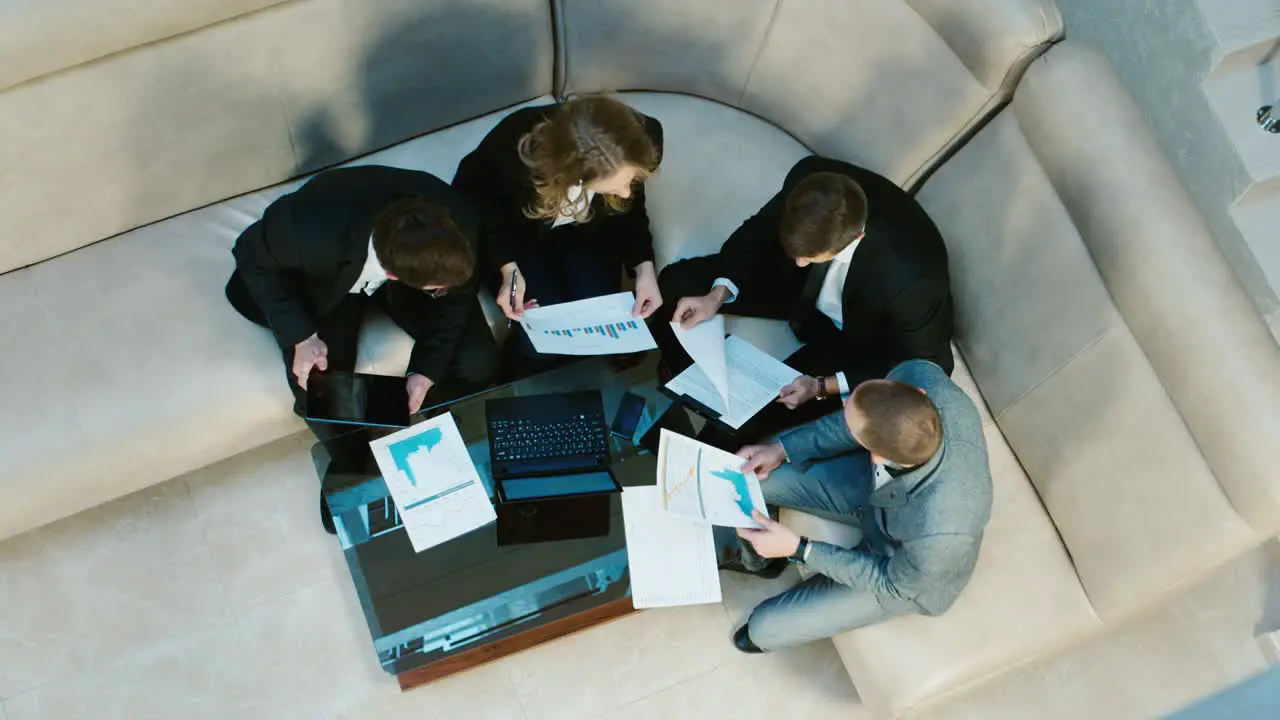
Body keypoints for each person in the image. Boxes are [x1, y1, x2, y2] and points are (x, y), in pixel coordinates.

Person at [225, 165, 499, 530]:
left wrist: (424, 373)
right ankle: (350, 464)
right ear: (394, 276)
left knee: (477, 359)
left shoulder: (457, 223)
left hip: (398, 266)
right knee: (318, 388)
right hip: (323, 284)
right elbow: (250, 253)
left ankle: (438, 419)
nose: (442, 294)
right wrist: (302, 337)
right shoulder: (309, 230)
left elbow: (455, 301)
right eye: (437, 290)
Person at [654, 155, 954, 442]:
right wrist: (716, 295)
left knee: (746, 421)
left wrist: (822, 386)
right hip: (798, 289)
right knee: (673, 284)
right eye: (796, 251)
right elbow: (755, 233)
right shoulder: (810, 180)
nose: (798, 260)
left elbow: (923, 364)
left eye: (808, 256)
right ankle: (692, 381)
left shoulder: (913, 281)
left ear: (856, 239)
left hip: (854, 337)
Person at [725, 359, 991, 653]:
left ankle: (775, 583)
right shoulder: (920, 375)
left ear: (875, 455)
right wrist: (781, 449)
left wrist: (799, 548)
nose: (846, 403)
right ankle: (760, 559)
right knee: (747, 478)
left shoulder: (943, 531)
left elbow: (893, 583)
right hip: (871, 490)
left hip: (894, 567)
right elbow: (857, 418)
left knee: (764, 629)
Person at [452, 94, 664, 379]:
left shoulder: (643, 136)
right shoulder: (509, 153)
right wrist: (507, 269)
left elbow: (631, 208)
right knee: (540, 338)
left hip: (586, 232)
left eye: (627, 182)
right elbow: (485, 215)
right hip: (520, 234)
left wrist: (644, 267)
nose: (626, 192)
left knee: (600, 326)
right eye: (615, 186)